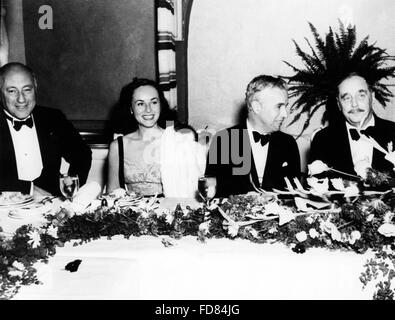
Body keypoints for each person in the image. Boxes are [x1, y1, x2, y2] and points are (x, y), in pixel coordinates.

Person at [0, 62, 92, 196]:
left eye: (27, 89)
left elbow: (82, 154)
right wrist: (29, 189)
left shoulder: (53, 118)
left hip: (50, 206)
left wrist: (69, 186)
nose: (21, 99)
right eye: (12, 91)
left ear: (35, 88)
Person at [107, 78, 206, 197]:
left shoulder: (177, 141)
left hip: (171, 211)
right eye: (140, 104)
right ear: (131, 109)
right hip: (131, 212)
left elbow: (192, 190)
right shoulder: (118, 146)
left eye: (154, 102)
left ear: (160, 105)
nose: (148, 109)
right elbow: (111, 195)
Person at [205, 75, 301, 197]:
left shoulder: (288, 143)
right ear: (257, 107)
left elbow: (293, 196)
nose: (285, 114)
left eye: (285, 106)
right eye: (279, 106)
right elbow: (213, 193)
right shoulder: (224, 141)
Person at [309, 72, 395, 178]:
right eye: (347, 98)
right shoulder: (322, 140)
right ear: (338, 104)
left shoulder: (393, 132)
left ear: (372, 97)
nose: (354, 104)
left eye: (361, 96)